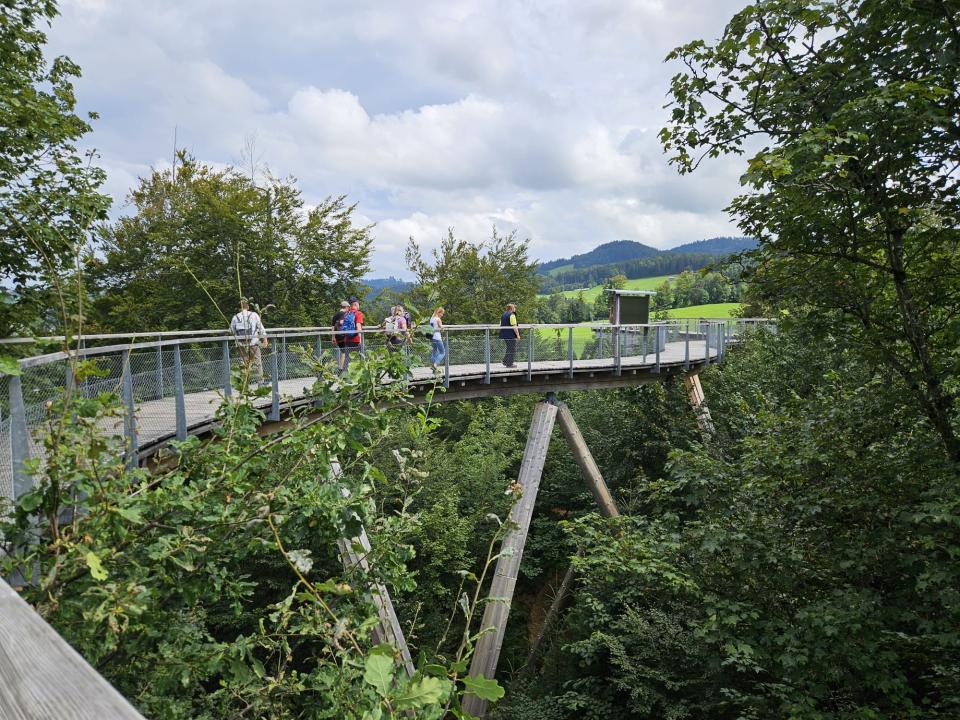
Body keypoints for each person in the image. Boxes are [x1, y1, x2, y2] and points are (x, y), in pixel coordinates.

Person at [230, 297, 267, 384]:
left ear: (240, 308)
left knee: (243, 364)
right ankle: (260, 383)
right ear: (248, 307)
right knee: (257, 363)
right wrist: (265, 340)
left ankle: (244, 384)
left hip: (241, 344)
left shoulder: (235, 317)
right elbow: (261, 328)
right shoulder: (254, 315)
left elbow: (231, 331)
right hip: (253, 343)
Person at [340, 299, 364, 372]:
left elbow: (341, 323)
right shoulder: (358, 313)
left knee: (348, 358)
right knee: (359, 357)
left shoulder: (346, 314)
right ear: (356, 304)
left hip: (347, 339)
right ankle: (358, 374)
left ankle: (346, 374)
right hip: (356, 339)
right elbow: (358, 325)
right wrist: (360, 339)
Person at [499, 303, 520, 367]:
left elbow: (500, 324)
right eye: (514, 308)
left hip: (504, 334)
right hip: (510, 335)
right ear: (512, 308)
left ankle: (505, 361)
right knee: (512, 349)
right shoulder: (512, 315)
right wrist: (518, 335)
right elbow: (514, 326)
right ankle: (509, 364)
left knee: (509, 348)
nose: (515, 309)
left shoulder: (503, 314)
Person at [332, 300, 349, 372]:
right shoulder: (344, 314)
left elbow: (332, 326)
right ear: (346, 307)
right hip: (343, 335)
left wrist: (333, 337)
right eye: (348, 307)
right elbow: (342, 323)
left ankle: (341, 368)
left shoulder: (335, 315)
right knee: (345, 352)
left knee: (342, 351)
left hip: (337, 335)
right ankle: (342, 369)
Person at [429, 307, 445, 371]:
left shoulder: (431, 319)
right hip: (437, 337)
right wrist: (442, 328)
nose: (442, 315)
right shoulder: (438, 319)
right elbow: (441, 328)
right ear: (439, 312)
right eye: (442, 313)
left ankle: (433, 367)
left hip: (432, 337)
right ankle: (435, 364)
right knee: (442, 352)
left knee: (434, 352)